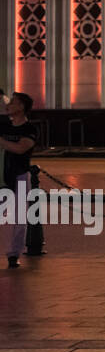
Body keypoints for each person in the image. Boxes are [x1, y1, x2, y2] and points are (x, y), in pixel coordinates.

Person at [0, 92, 37, 268]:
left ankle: (14, 254)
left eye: (13, 103)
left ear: (22, 107)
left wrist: (1, 142)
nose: (8, 105)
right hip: (2, 177)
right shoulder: (4, 125)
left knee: (19, 218)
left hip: (20, 175)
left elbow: (21, 148)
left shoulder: (29, 129)